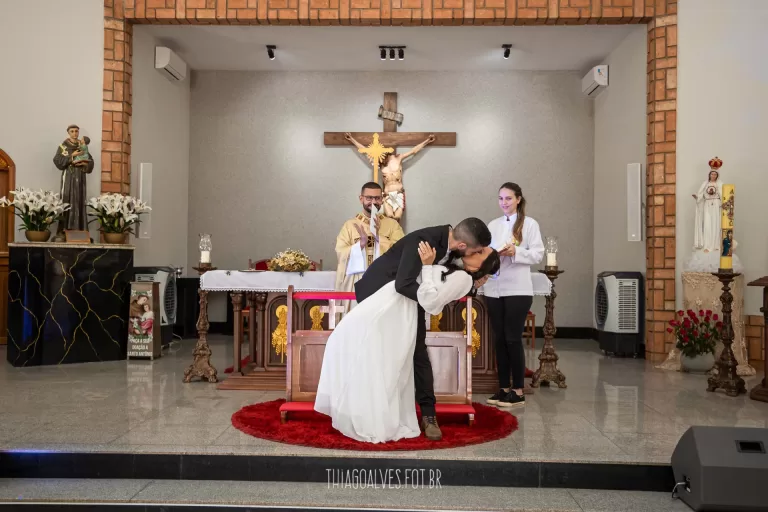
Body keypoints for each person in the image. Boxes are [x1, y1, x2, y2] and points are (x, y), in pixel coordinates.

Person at [315, 241, 500, 444]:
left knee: (407, 358)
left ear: (479, 267)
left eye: (481, 252)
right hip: (393, 295)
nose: (476, 249)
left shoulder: (464, 276)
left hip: (407, 306)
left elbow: (434, 299)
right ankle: (364, 410)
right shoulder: (453, 256)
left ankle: (423, 416)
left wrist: (434, 269)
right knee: (357, 345)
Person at [351, 218, 492, 440]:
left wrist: (470, 286)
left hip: (408, 300)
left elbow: (449, 279)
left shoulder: (452, 245)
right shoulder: (424, 241)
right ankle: (371, 411)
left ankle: (428, 416)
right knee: (383, 355)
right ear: (464, 246)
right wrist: (431, 300)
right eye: (479, 251)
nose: (478, 254)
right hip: (380, 298)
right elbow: (403, 283)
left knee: (418, 354)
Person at [482, 183, 544, 408]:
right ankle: (503, 388)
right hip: (494, 288)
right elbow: (486, 252)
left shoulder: (529, 224)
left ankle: (518, 389)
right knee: (499, 339)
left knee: (512, 338)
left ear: (518, 199)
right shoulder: (493, 225)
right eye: (500, 198)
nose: (504, 203)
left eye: (508, 198)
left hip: (518, 288)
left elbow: (537, 254)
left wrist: (515, 251)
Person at [335, 182, 404, 314]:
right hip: (357, 280)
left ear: (382, 199)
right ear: (361, 199)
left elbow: (401, 252)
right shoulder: (350, 226)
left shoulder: (392, 225)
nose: (373, 202)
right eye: (369, 198)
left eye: (377, 198)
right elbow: (340, 252)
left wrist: (378, 237)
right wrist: (359, 245)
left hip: (384, 281)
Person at [344, 133, 436, 222]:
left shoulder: (398, 158)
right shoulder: (380, 161)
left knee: (397, 217)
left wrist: (427, 141)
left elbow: (413, 151)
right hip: (387, 195)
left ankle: (396, 237)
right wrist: (351, 139)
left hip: (399, 194)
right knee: (389, 217)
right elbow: (365, 151)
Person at [53, 124, 94, 241]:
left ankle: (80, 230)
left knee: (79, 200)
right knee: (67, 200)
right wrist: (72, 156)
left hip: (80, 177)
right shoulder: (63, 146)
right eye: (72, 131)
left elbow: (90, 161)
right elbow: (57, 160)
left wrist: (85, 164)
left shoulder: (82, 145)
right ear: (68, 133)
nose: (75, 133)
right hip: (69, 177)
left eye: (76, 131)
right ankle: (64, 230)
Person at [691, 169, 723, 253]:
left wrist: (723, 202)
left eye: (715, 174)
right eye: (712, 174)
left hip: (716, 205)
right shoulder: (705, 184)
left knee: (716, 224)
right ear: (709, 175)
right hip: (707, 205)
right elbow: (700, 195)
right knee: (707, 225)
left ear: (717, 176)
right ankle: (707, 246)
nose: (713, 176)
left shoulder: (720, 184)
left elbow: (724, 195)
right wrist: (697, 197)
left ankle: (716, 245)